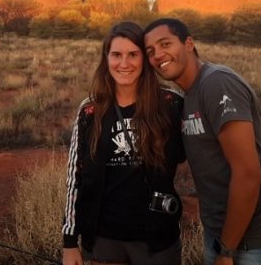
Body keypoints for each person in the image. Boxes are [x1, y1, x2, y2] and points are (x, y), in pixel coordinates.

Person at [144, 18, 261, 265]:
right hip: (221, 233)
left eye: (165, 44)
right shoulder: (189, 95)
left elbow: (247, 175)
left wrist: (227, 251)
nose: (158, 55)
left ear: (188, 44)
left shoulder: (216, 83)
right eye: (151, 51)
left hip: (254, 240)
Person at [62, 21, 185, 265]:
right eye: (116, 55)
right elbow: (75, 176)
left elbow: (205, 143)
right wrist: (69, 242)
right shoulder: (91, 110)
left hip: (156, 238)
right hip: (104, 238)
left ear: (144, 59)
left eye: (133, 54)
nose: (124, 63)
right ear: (106, 59)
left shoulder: (170, 103)